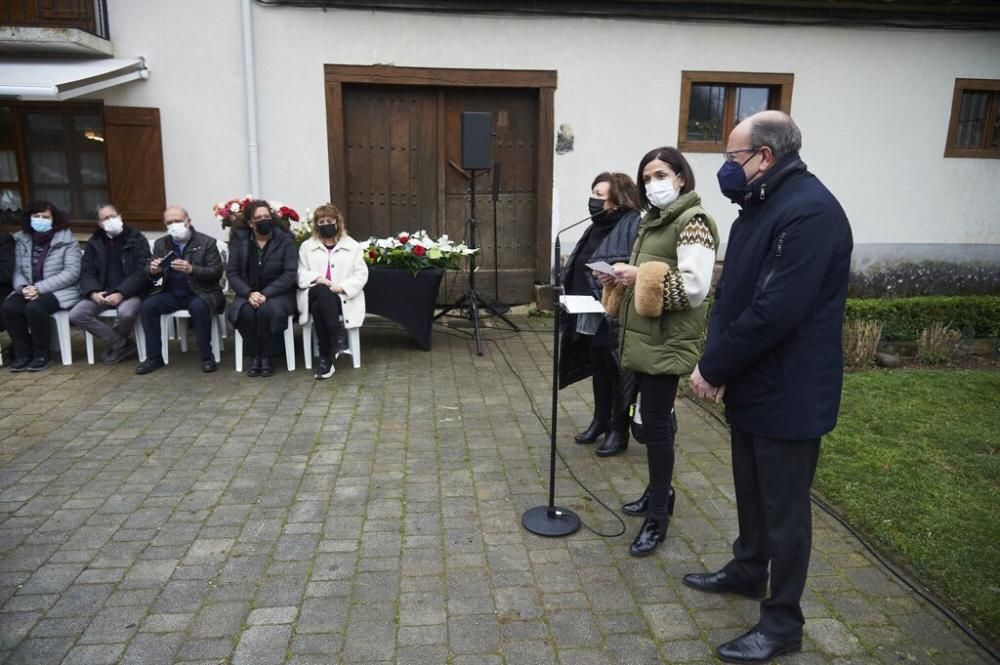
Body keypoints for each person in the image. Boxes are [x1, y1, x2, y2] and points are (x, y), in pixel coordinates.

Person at [685, 111, 853, 664]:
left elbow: (775, 310)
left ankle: (782, 622)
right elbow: (739, 292)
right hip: (755, 385)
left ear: (764, 157)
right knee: (753, 494)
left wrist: (714, 366)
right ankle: (747, 569)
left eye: (733, 157)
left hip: (789, 390)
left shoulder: (810, 213)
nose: (726, 169)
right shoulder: (759, 206)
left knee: (785, 512)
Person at [598, 147, 719, 556]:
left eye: (661, 174)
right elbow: (652, 273)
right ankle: (655, 494)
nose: (653, 184)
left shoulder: (694, 222)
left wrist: (638, 274)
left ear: (681, 177)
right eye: (646, 177)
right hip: (646, 335)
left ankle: (658, 515)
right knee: (652, 419)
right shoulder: (653, 221)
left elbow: (696, 286)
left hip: (667, 339)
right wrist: (621, 276)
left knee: (656, 423)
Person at [559, 172, 640, 457]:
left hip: (613, 311)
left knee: (616, 371)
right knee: (598, 368)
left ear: (618, 200)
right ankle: (600, 420)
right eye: (593, 192)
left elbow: (630, 266)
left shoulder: (632, 225)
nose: (594, 200)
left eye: (600, 195)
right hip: (588, 310)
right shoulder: (595, 225)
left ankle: (619, 429)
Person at [135, 206, 226, 374]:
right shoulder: (162, 243)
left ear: (188, 222)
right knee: (148, 306)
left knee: (199, 307)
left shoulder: (207, 242)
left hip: (201, 292)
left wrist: (192, 269)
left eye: (177, 221)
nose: (174, 225)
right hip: (170, 293)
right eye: (169, 222)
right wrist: (153, 270)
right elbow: (152, 277)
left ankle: (207, 357)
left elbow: (216, 272)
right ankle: (154, 357)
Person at [2, 201, 82, 372]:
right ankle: (23, 353)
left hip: (61, 290)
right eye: (36, 216)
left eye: (45, 217)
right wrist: (23, 287)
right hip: (28, 289)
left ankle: (42, 354)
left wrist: (39, 288)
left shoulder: (67, 241)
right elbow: (16, 270)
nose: (40, 220)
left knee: (34, 309)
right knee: (9, 308)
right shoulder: (21, 240)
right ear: (29, 218)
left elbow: (71, 273)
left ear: (54, 220)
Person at [69, 203, 152, 364]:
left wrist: (121, 292)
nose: (111, 220)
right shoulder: (95, 242)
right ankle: (122, 343)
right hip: (102, 293)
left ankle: (117, 346)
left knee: (126, 313)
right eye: (106, 218)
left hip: (131, 293)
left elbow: (142, 272)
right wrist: (93, 292)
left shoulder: (137, 238)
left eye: (113, 216)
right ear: (100, 224)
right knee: (77, 314)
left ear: (120, 216)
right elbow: (87, 271)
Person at [296, 203, 368, 379]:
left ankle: (325, 360)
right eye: (322, 221)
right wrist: (316, 278)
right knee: (321, 290)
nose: (326, 224)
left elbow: (361, 274)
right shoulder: (306, 247)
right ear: (316, 224)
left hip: (340, 296)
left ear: (338, 222)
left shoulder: (352, 246)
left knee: (320, 307)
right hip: (312, 291)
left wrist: (341, 287)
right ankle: (338, 338)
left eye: (330, 220)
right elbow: (299, 274)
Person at [227, 199, 297, 377]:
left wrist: (265, 294)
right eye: (258, 217)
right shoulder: (239, 242)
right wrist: (249, 293)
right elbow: (233, 273)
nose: (264, 220)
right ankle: (255, 356)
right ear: (251, 223)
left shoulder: (285, 241)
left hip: (279, 294)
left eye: (267, 216)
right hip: (248, 293)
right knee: (245, 313)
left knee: (266, 311)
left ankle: (266, 356)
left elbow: (289, 275)